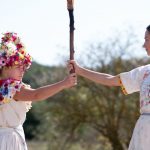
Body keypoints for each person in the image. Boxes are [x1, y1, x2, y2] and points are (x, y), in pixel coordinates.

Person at [69, 25, 150, 150]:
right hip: (144, 131)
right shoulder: (144, 72)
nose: (144, 45)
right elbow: (110, 80)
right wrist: (80, 71)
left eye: (147, 39)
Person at [0, 32, 77, 150]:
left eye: (24, 67)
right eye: (18, 67)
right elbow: (36, 94)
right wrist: (64, 83)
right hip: (9, 141)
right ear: (5, 66)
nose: (23, 71)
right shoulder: (11, 88)